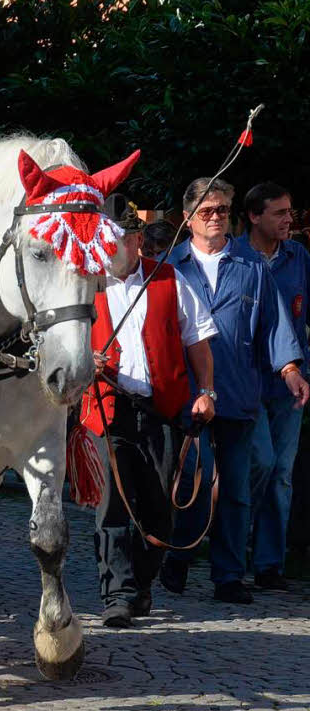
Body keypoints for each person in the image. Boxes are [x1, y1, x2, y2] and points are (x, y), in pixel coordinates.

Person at [161, 177, 309, 604]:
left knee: (238, 489)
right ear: (188, 216)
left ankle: (228, 575)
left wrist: (290, 369)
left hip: (240, 392)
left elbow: (275, 326)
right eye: (206, 210)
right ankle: (180, 554)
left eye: (222, 210)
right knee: (194, 477)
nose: (215, 217)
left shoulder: (252, 266)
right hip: (189, 394)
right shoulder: (170, 268)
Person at [82, 194, 217, 627]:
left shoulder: (169, 279)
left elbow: (197, 338)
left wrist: (207, 391)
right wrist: (89, 358)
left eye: (117, 239)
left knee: (161, 506)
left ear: (137, 240)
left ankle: (140, 586)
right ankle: (116, 594)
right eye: (103, 239)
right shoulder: (85, 285)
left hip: (161, 409)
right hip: (105, 409)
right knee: (113, 505)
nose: (108, 247)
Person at [240, 182, 309, 591]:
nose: (288, 219)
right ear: (253, 216)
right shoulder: (235, 257)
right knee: (259, 463)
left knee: (282, 472)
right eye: (279, 213)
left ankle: (269, 564)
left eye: (290, 211)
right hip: (245, 381)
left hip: (290, 385)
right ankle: (233, 544)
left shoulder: (298, 257)